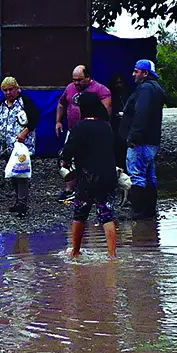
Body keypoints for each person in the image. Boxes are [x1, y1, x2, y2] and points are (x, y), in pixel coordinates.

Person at [60, 91, 119, 258]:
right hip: (107, 177)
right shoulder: (106, 126)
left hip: (87, 178)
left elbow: (68, 151)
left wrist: (64, 162)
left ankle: (75, 252)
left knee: (80, 215)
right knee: (107, 215)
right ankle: (112, 255)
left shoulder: (80, 127)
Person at [55, 65, 111, 201]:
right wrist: (58, 121)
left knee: (91, 161)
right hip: (73, 130)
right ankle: (70, 189)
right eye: (74, 80)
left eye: (79, 80)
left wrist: (99, 128)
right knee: (68, 159)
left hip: (93, 133)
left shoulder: (101, 90)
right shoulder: (70, 88)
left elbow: (107, 111)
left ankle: (95, 189)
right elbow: (62, 103)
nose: (76, 83)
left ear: (88, 77)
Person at [120, 59, 167, 219]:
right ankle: (150, 212)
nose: (133, 74)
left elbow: (141, 113)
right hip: (152, 140)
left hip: (141, 141)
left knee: (137, 175)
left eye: (136, 71)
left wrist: (133, 136)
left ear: (145, 73)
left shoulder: (145, 89)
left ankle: (138, 212)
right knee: (149, 175)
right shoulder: (156, 88)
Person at [0, 76, 41, 217]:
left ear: (17, 89)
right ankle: (18, 200)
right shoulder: (1, 104)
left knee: (21, 173)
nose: (8, 93)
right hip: (7, 146)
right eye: (5, 90)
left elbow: (35, 118)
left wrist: (25, 132)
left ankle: (22, 203)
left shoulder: (25, 101)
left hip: (21, 146)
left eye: (10, 89)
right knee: (12, 173)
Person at [108, 73, 129, 162]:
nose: (119, 85)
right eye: (117, 83)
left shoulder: (128, 94)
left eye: (121, 83)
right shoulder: (110, 96)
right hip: (115, 125)